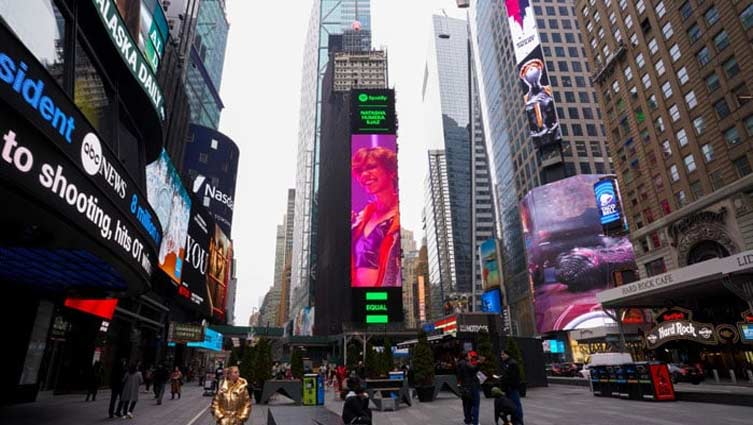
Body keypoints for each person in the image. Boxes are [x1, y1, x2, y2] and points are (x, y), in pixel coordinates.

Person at [351, 146, 401, 288]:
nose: (364, 175)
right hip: (357, 300)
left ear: (391, 171)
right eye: (360, 171)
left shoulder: (401, 214)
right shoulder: (360, 218)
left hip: (385, 298)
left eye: (371, 167)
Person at [457, 351, 485, 425]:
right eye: (469, 356)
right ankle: (475, 422)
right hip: (472, 386)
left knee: (466, 404)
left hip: (464, 386)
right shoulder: (466, 363)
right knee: (475, 404)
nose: (470, 357)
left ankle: (468, 420)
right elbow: (474, 369)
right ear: (466, 357)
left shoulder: (460, 364)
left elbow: (460, 376)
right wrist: (479, 363)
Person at [497, 350, 524, 425]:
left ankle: (518, 422)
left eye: (503, 354)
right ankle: (514, 421)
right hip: (508, 388)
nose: (501, 356)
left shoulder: (512, 363)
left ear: (508, 355)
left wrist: (502, 378)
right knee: (511, 406)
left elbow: (512, 377)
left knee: (516, 406)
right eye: (501, 354)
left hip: (512, 388)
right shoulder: (506, 363)